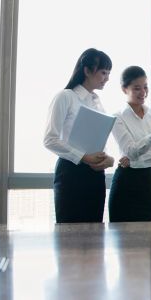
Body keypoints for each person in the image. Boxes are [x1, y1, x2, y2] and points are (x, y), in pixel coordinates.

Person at [44, 48, 115, 223]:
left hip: (95, 174)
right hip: (71, 174)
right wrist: (84, 157)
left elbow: (100, 142)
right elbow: (50, 139)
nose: (107, 78)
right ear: (87, 71)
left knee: (95, 234)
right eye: (103, 72)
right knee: (69, 234)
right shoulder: (65, 97)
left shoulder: (97, 103)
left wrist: (108, 159)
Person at [110, 66, 151, 222]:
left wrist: (135, 160)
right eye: (137, 88)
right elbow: (130, 150)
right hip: (125, 181)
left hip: (148, 180)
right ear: (124, 89)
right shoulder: (117, 118)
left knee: (148, 239)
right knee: (120, 236)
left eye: (145, 87)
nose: (143, 92)